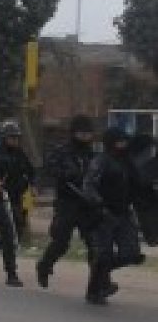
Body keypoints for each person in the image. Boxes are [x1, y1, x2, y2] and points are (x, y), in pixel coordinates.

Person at [83, 127, 145, 306]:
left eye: (124, 141)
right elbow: (88, 184)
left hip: (125, 213)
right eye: (119, 141)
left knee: (131, 253)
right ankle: (94, 291)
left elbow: (139, 184)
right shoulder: (101, 161)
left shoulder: (129, 161)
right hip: (104, 214)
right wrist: (98, 203)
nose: (123, 144)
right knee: (103, 255)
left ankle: (101, 276)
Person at [36, 114, 96, 288]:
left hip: (87, 205)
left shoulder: (92, 155)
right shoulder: (62, 152)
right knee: (61, 242)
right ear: (74, 133)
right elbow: (50, 169)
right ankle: (44, 266)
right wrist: (67, 175)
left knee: (95, 244)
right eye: (81, 133)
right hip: (67, 203)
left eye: (88, 133)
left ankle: (98, 282)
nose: (85, 137)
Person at [0, 121, 35, 287]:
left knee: (16, 234)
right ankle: (11, 273)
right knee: (10, 235)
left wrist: (32, 184)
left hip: (16, 200)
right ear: (4, 138)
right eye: (12, 137)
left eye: (17, 138)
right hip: (0, 201)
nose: (15, 141)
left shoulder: (20, 155)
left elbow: (31, 171)